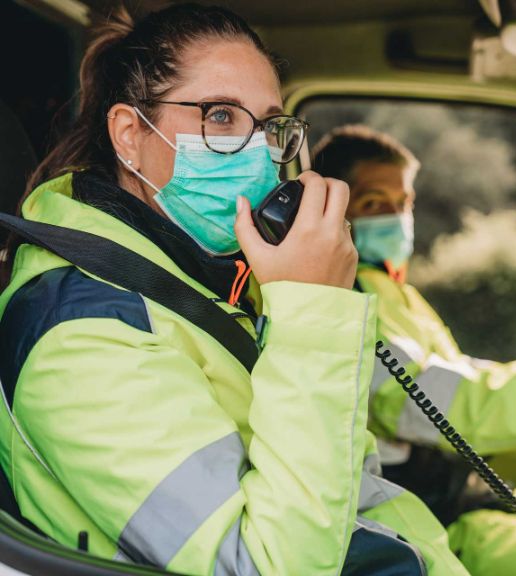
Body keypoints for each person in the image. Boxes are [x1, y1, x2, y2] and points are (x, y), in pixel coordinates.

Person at [0, 5, 472, 576]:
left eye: (268, 124)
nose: (255, 149)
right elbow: (270, 566)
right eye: (221, 115)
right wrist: (312, 311)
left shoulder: (209, 281)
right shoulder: (81, 337)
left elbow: (342, 480)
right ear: (129, 135)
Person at [312, 124, 516, 576]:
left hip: (466, 494)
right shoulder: (339, 301)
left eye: (404, 204)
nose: (395, 217)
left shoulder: (395, 292)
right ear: (331, 208)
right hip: (433, 522)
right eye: (375, 204)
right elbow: (438, 404)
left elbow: (460, 374)